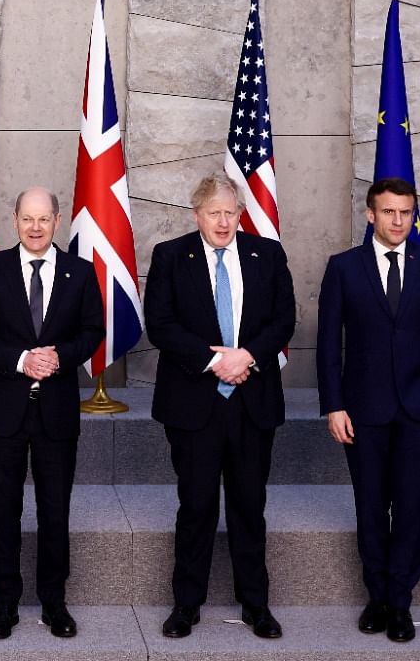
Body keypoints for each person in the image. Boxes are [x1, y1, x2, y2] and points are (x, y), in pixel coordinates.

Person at [144, 173, 296, 640]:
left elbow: (283, 318)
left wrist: (247, 356)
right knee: (196, 506)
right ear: (197, 215)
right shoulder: (171, 256)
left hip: (252, 400)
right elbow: (161, 325)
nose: (224, 221)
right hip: (194, 404)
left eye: (231, 212)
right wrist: (216, 361)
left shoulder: (266, 254)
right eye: (215, 213)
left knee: (250, 506)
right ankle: (186, 605)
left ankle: (256, 605)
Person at [316, 177, 420, 643]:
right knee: (371, 506)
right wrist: (334, 406)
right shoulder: (343, 267)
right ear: (370, 215)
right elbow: (327, 348)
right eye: (389, 212)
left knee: (413, 506)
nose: (398, 221)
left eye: (406, 213)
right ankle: (376, 596)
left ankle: (401, 602)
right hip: (363, 410)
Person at [0, 187, 104, 640]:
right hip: (4, 411)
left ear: (58, 220)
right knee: (3, 509)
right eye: (28, 218)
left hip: (57, 412)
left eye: (44, 219)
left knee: (54, 511)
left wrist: (58, 356)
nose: (36, 227)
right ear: (15, 219)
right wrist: (22, 359)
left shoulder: (80, 273)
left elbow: (93, 331)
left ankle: (54, 602)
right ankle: (4, 604)